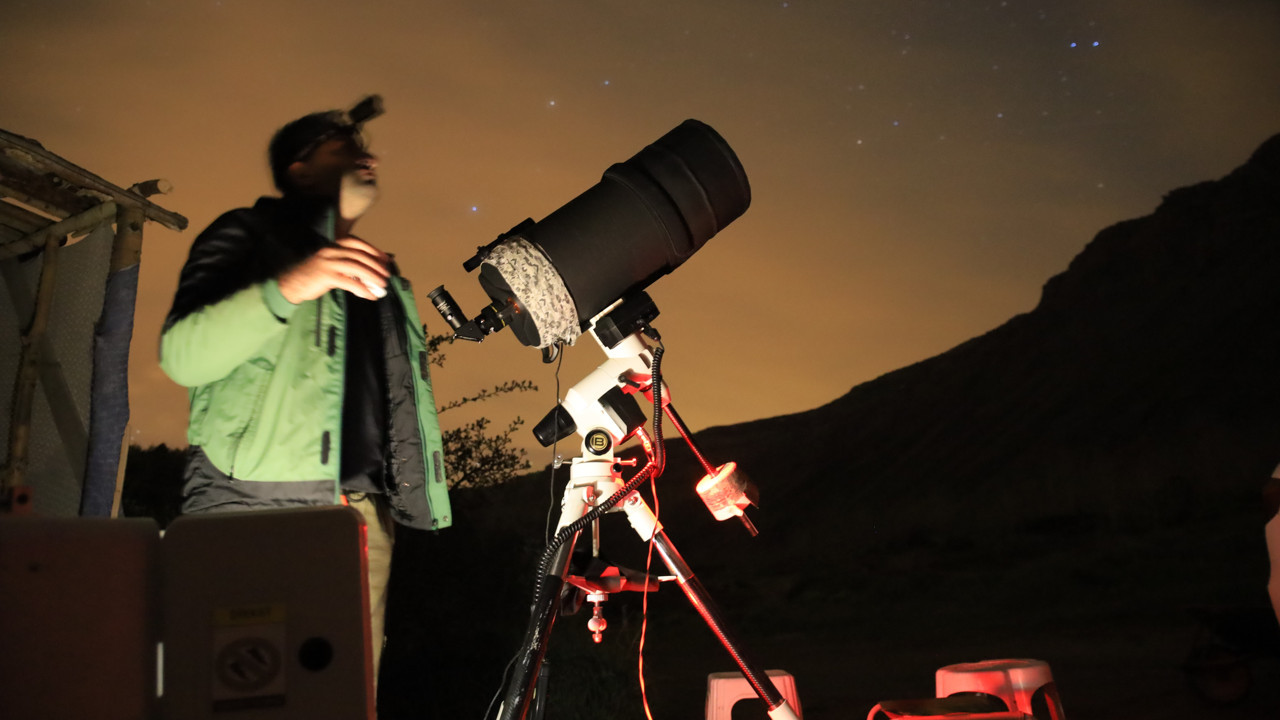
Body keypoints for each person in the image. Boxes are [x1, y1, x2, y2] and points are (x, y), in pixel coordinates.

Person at [159, 96, 450, 688]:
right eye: (344, 148)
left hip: (360, 523)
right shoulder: (248, 234)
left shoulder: (379, 275)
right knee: (240, 694)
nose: (367, 157)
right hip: (251, 511)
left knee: (342, 700)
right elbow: (182, 355)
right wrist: (292, 284)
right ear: (300, 168)